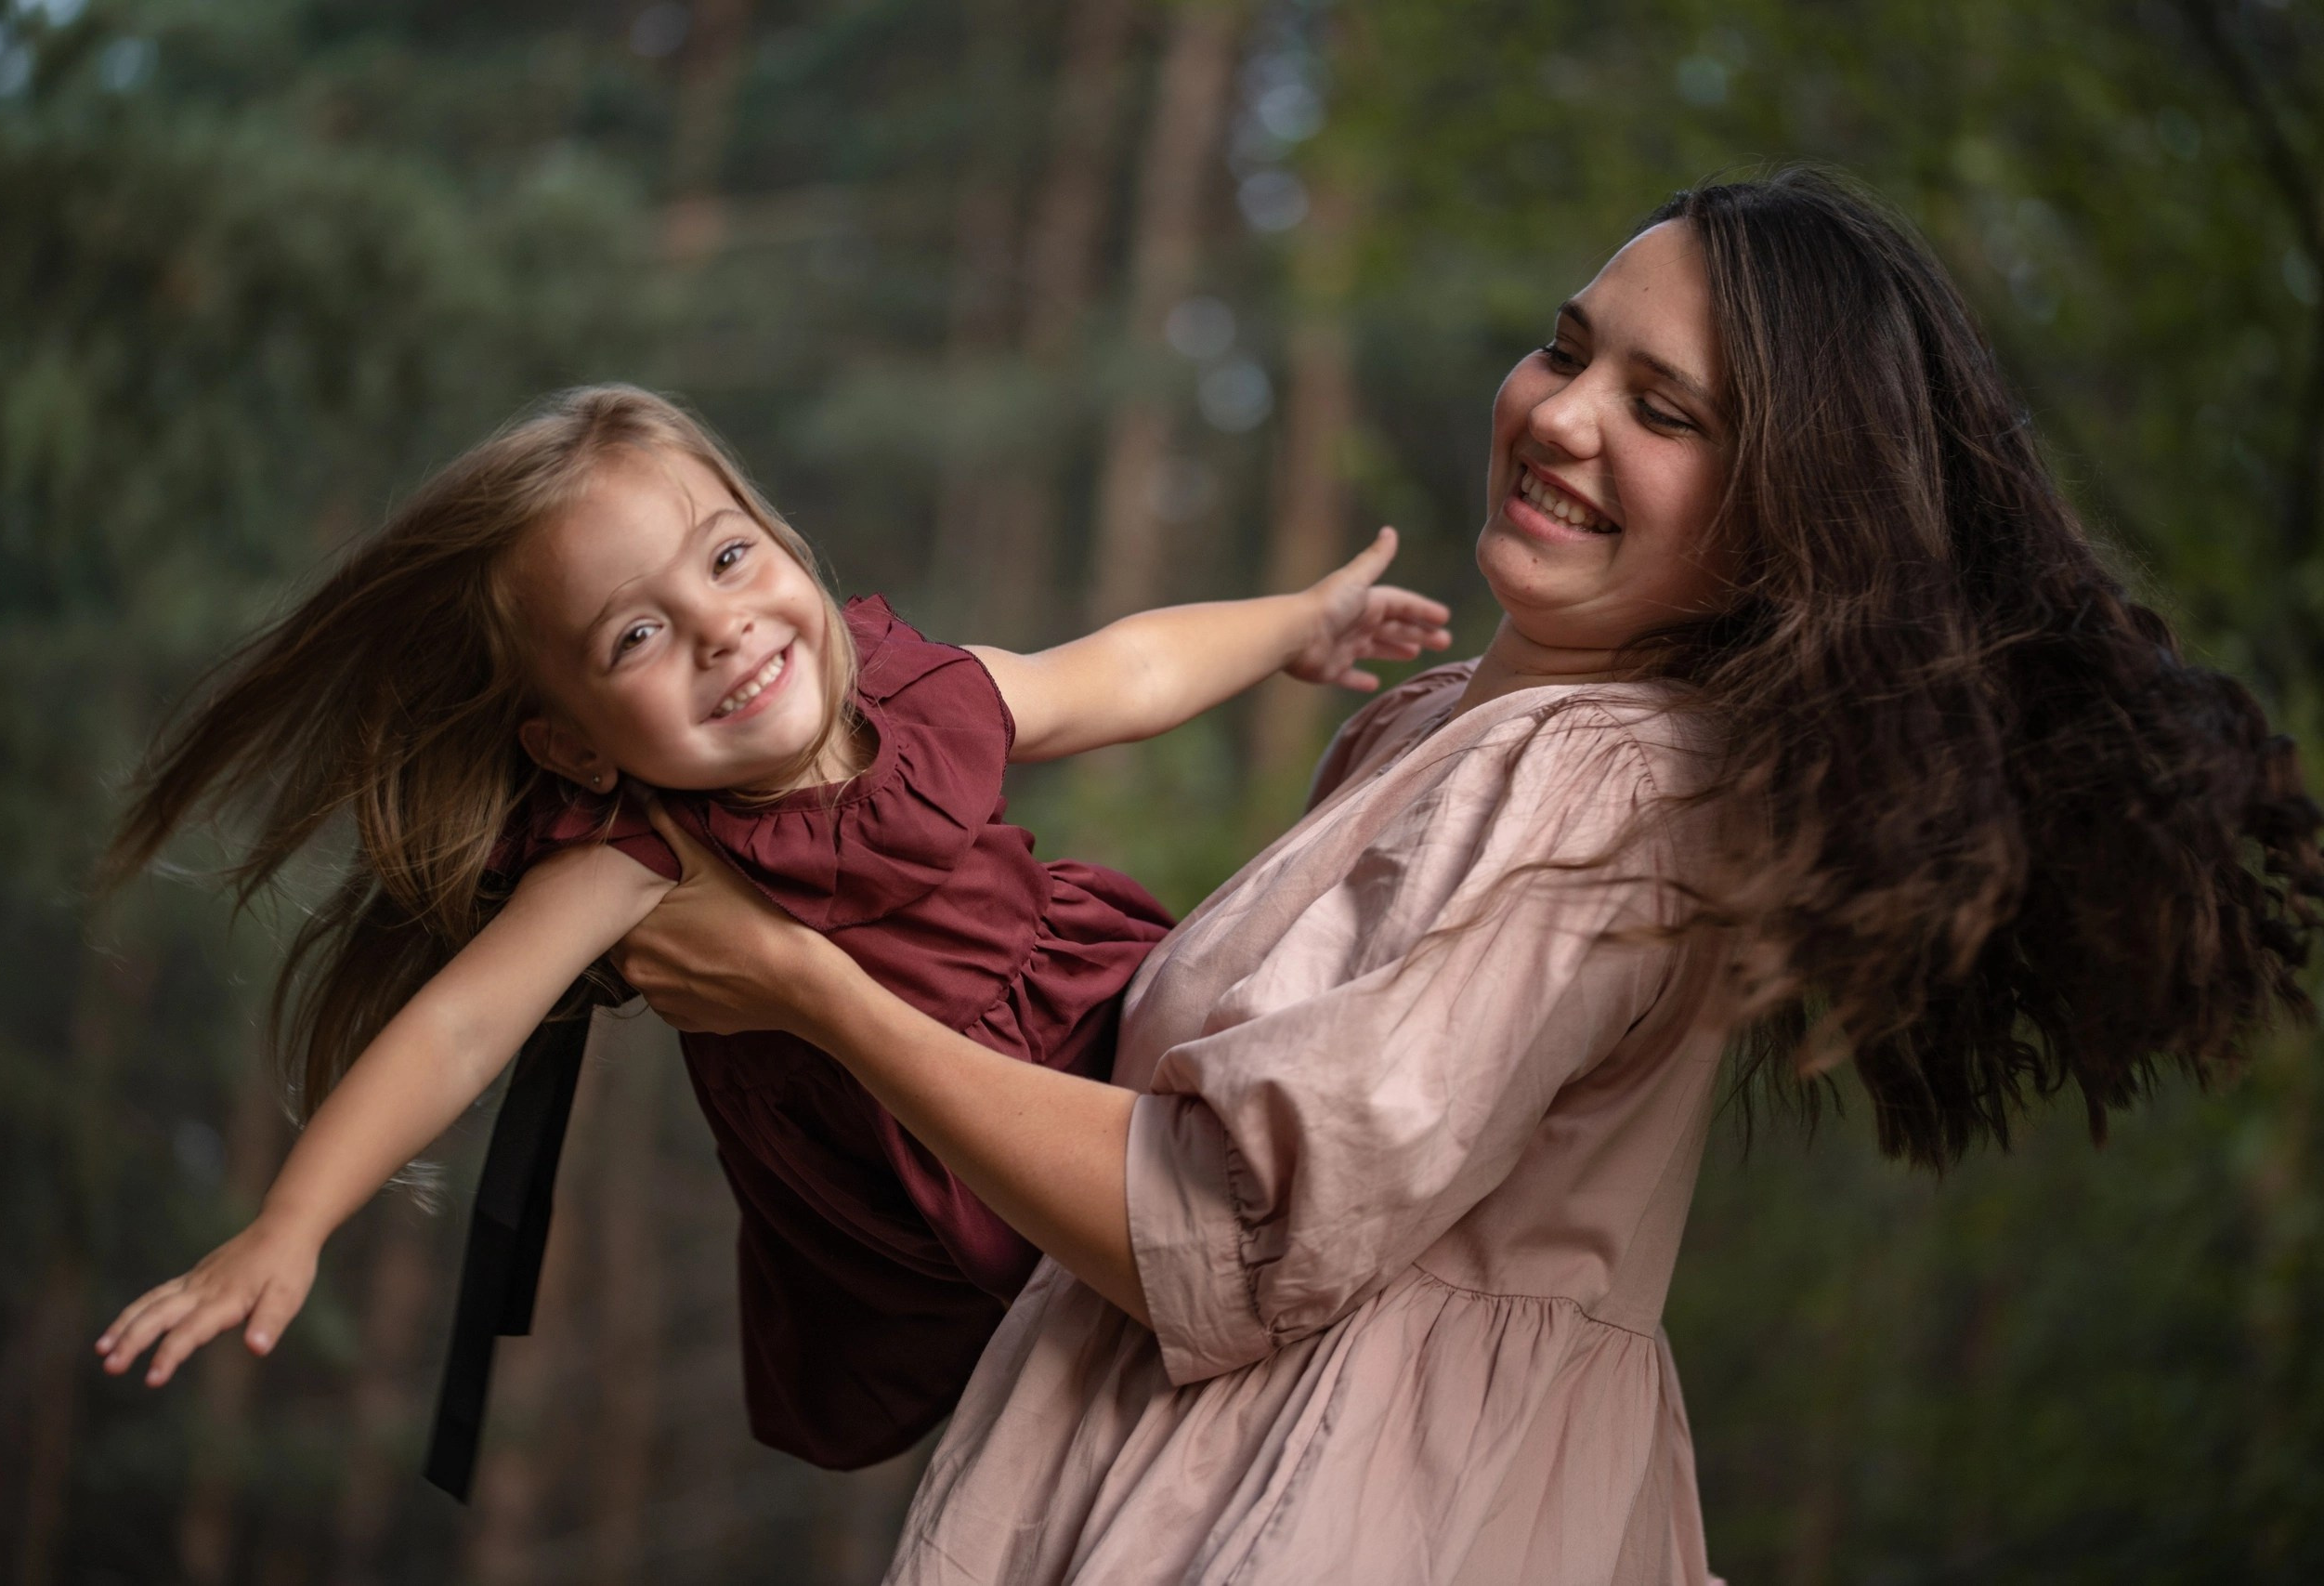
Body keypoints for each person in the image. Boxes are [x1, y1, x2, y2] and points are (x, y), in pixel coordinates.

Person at [604, 169, 2324, 1585]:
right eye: (1566, 349)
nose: (1561, 416)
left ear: (1778, 516)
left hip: (1346, 1518)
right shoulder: (1439, 731)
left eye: (1663, 411)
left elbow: (1235, 1220)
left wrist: (811, 993)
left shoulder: (1612, 783)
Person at [87, 386, 1454, 1477]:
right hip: (920, 1175)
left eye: (730, 557)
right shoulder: (640, 855)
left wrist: (1299, 623)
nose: (725, 630)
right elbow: (458, 1026)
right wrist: (290, 1221)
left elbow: (1119, 672)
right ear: (570, 738)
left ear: (783, 540)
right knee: (1096, 1374)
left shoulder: (914, 700)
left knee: (1269, 1187)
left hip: (1096, 1020)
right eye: (636, 636)